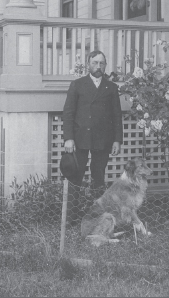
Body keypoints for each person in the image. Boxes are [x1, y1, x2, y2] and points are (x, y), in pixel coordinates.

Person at [62, 50, 123, 226]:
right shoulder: (78, 85)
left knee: (98, 177)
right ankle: (70, 218)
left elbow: (116, 115)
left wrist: (117, 140)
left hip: (102, 140)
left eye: (102, 63)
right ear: (88, 64)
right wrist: (68, 138)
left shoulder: (111, 87)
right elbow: (68, 112)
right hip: (80, 138)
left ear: (105, 65)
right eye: (95, 63)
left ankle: (97, 218)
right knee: (75, 177)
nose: (98, 66)